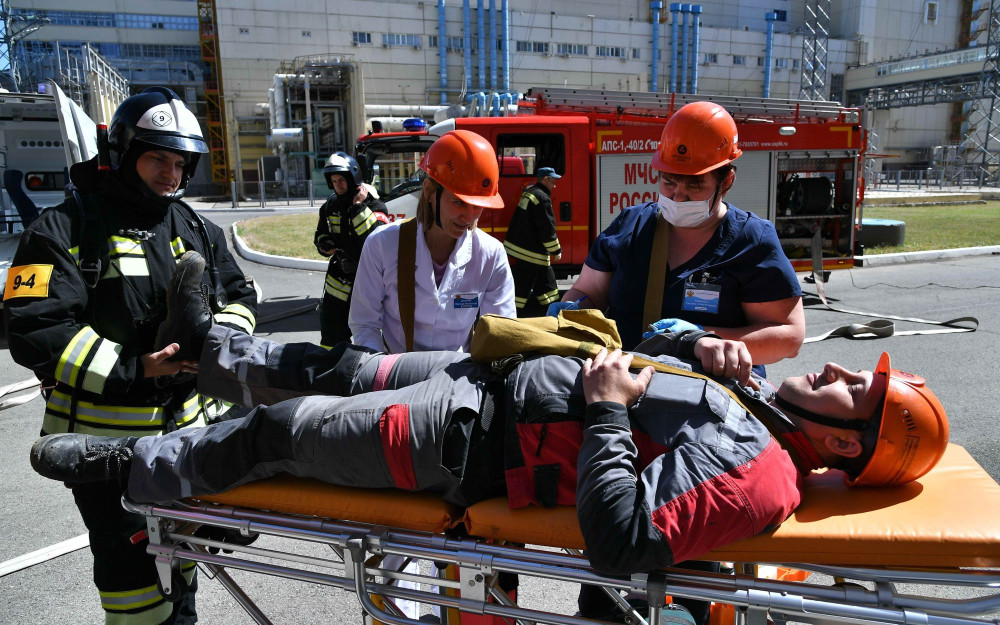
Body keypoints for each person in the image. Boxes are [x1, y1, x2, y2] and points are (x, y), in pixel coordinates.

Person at [29, 254, 949, 584]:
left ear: (843, 443)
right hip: (489, 376)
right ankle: (208, 350)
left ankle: (128, 469)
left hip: (467, 442)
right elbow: (651, 351)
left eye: (854, 392)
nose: (835, 369)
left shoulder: (763, 472)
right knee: (339, 363)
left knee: (288, 431)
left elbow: (623, 539)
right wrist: (689, 340)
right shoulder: (754, 393)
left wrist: (607, 412)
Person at [4, 88, 258, 625]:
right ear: (123, 154)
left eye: (180, 163)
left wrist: (215, 345)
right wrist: (135, 367)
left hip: (185, 437)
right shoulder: (62, 229)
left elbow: (240, 296)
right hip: (105, 450)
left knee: (181, 562)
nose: (171, 174)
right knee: (133, 583)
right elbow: (33, 328)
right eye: (157, 159)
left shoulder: (193, 227)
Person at [551, 101, 805, 377]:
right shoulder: (631, 225)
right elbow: (589, 292)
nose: (678, 196)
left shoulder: (751, 241)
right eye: (669, 182)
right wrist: (571, 311)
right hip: (624, 381)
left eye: (694, 185)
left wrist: (703, 338)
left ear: (726, 181)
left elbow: (789, 336)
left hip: (707, 392)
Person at [350, 129, 515, 353]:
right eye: (458, 202)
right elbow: (365, 324)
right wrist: (382, 369)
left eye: (478, 205)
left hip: (457, 372)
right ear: (429, 191)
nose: (469, 217)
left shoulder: (491, 255)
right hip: (396, 369)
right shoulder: (382, 245)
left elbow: (501, 332)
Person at [314, 151, 390, 348]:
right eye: (334, 181)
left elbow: (377, 239)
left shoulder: (374, 204)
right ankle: (332, 365)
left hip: (367, 281)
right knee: (331, 334)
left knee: (368, 334)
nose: (338, 185)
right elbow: (321, 234)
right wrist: (324, 244)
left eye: (342, 180)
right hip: (338, 281)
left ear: (352, 178)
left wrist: (357, 207)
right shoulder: (330, 206)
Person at [503, 166, 563, 316]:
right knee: (522, 289)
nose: (555, 185)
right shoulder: (541, 197)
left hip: (524, 250)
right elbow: (546, 227)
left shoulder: (530, 193)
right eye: (553, 181)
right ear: (545, 179)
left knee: (544, 286)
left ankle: (553, 313)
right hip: (532, 253)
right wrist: (555, 250)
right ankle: (510, 317)